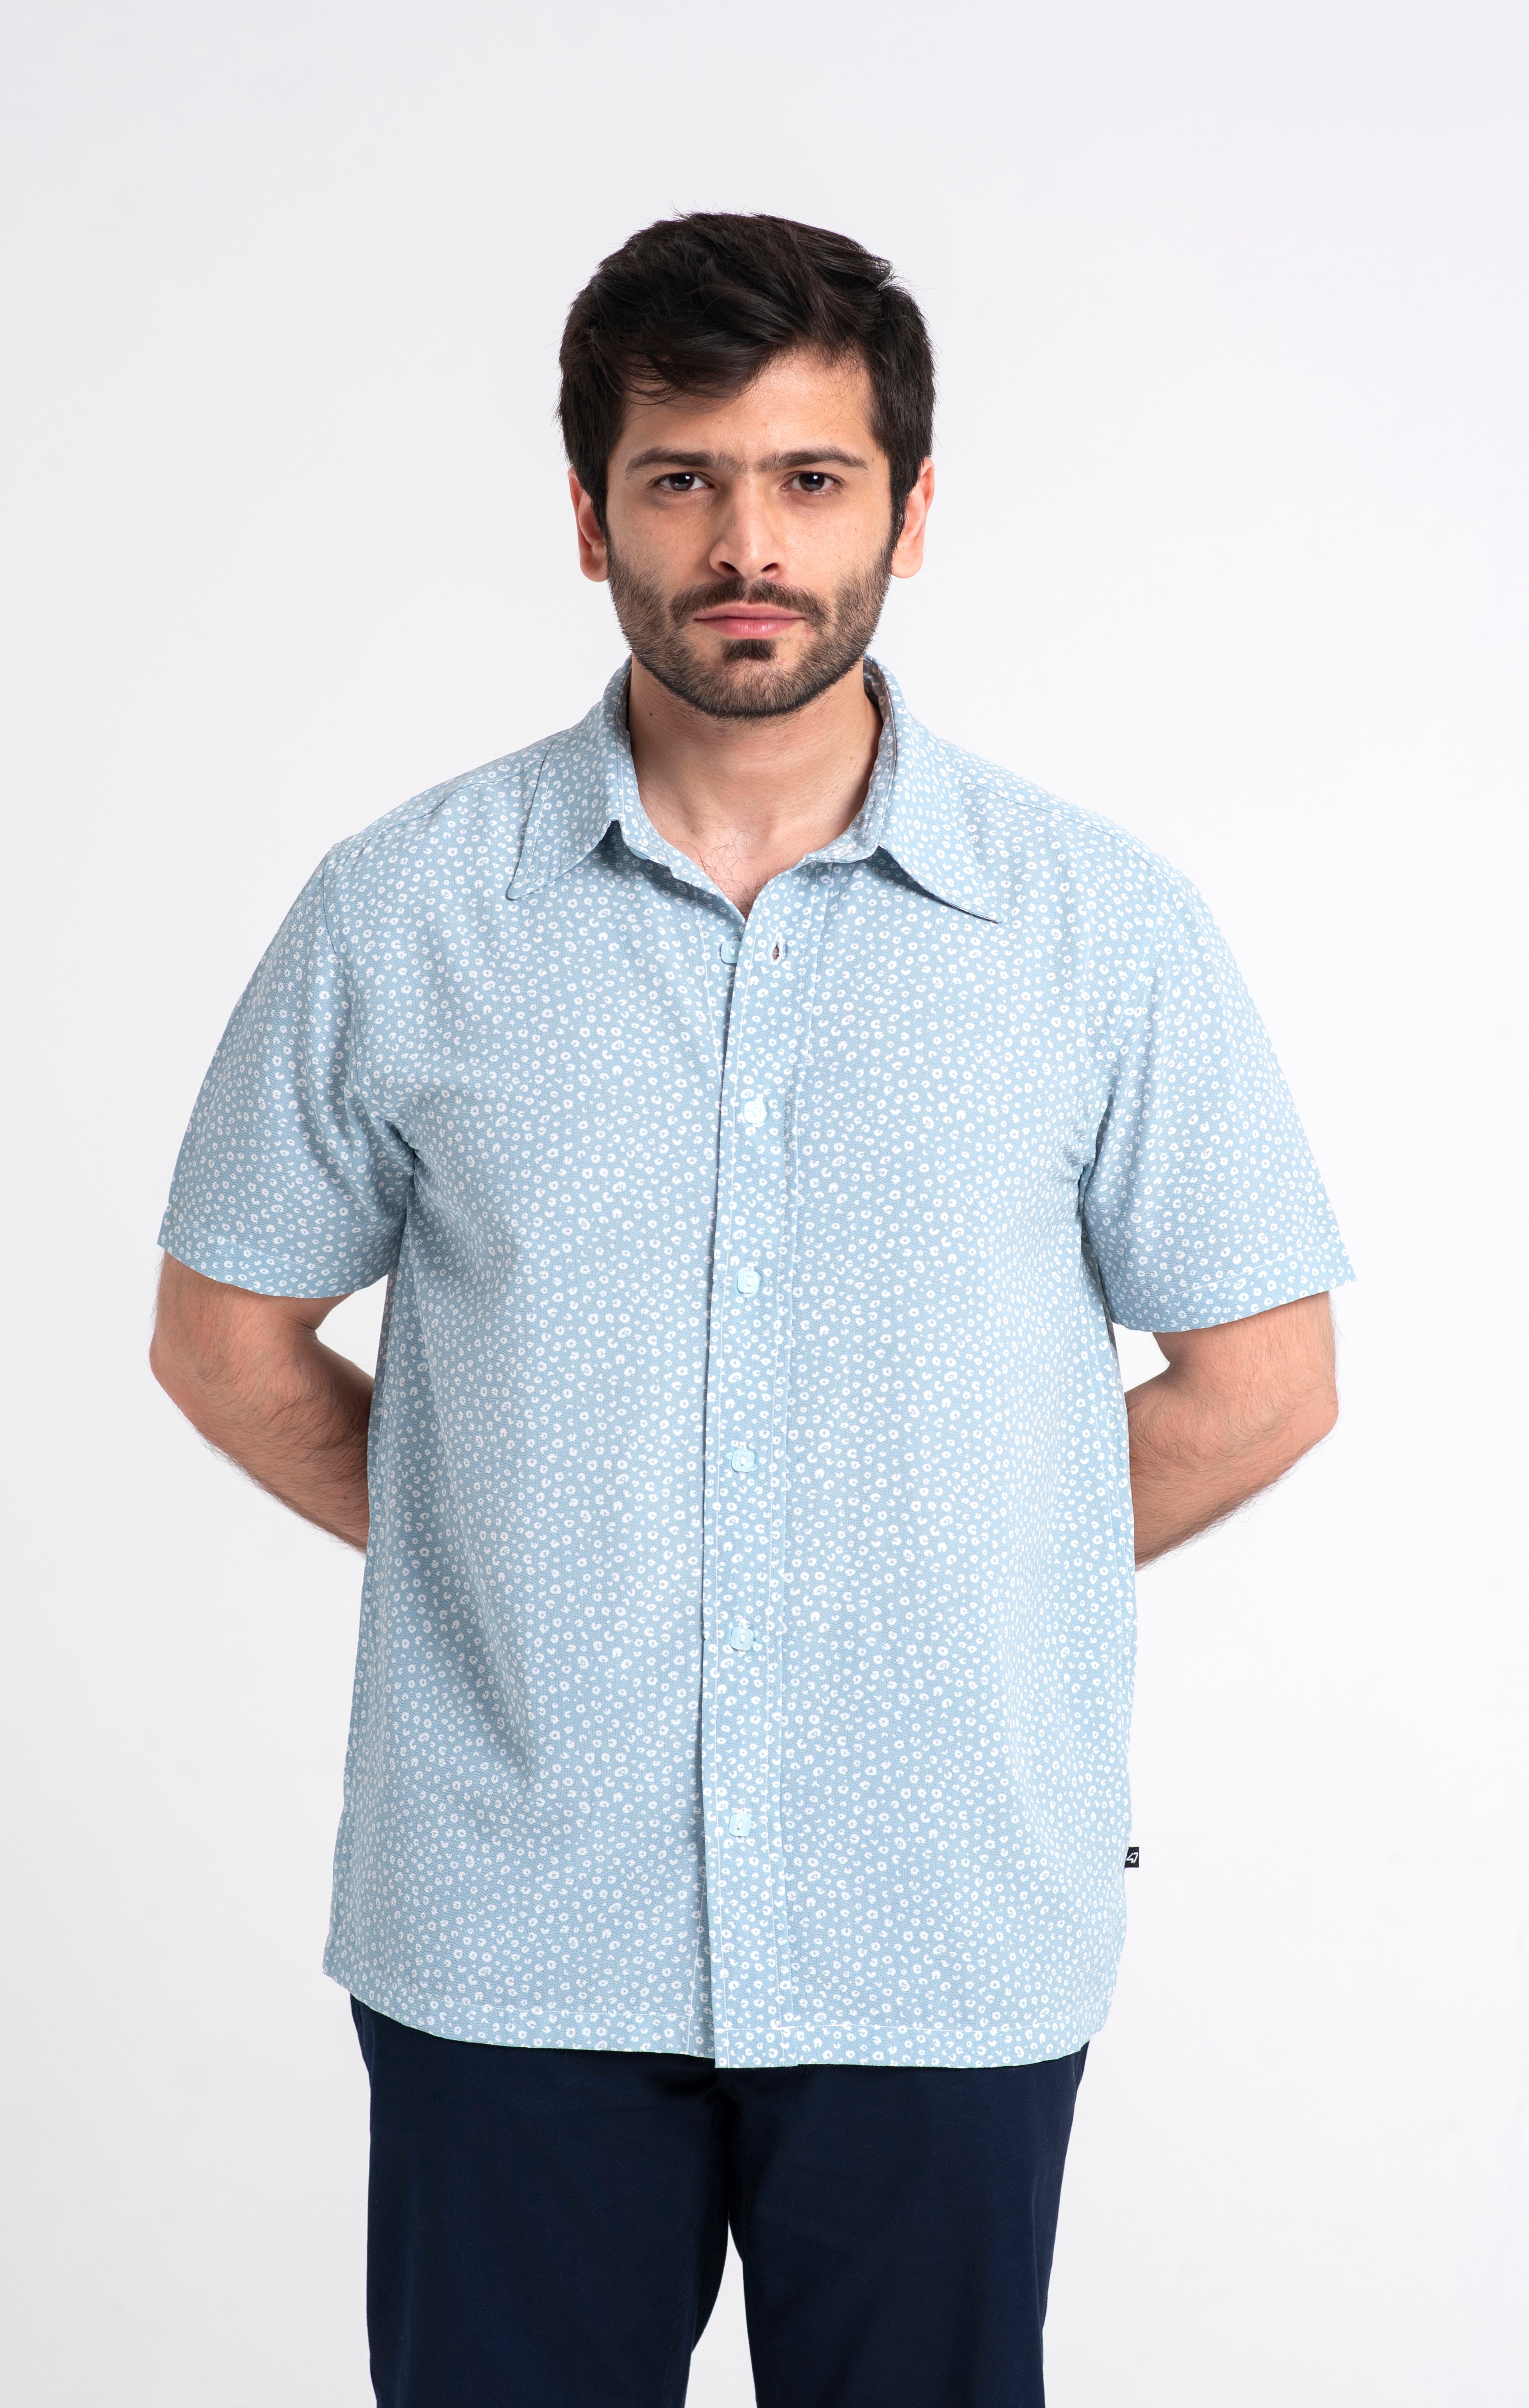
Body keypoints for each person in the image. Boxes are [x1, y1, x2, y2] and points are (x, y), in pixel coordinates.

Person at [151, 212, 1352, 2408]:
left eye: (811, 478)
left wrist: (961, 1566)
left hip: (943, 1923)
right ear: (590, 512)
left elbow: (1265, 1381)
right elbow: (222, 1339)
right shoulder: (405, 912)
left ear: (911, 509)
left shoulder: (1098, 932)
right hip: (514, 1927)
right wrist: (513, 1545)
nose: (748, 545)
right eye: (683, 477)